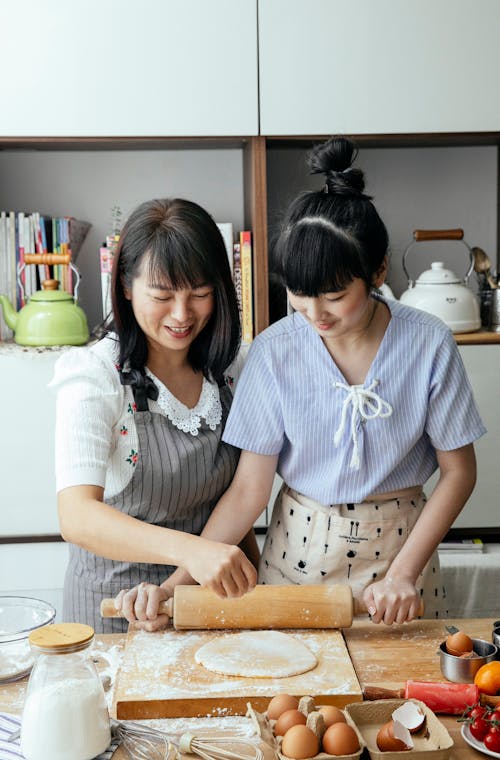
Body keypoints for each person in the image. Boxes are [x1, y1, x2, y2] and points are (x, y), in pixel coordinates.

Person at [123, 137, 486, 627]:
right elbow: (247, 492)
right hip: (298, 555)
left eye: (335, 295)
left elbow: (459, 472)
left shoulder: (428, 342)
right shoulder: (275, 351)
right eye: (298, 293)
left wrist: (403, 575)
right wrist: (173, 588)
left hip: (404, 558)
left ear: (377, 271)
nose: (314, 313)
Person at [50, 198, 258, 633]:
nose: (182, 315)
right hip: (114, 611)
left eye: (200, 294)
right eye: (162, 296)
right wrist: (192, 552)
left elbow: (242, 495)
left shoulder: (235, 368)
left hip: (212, 604)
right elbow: (76, 515)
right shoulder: (94, 375)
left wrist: (186, 577)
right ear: (126, 286)